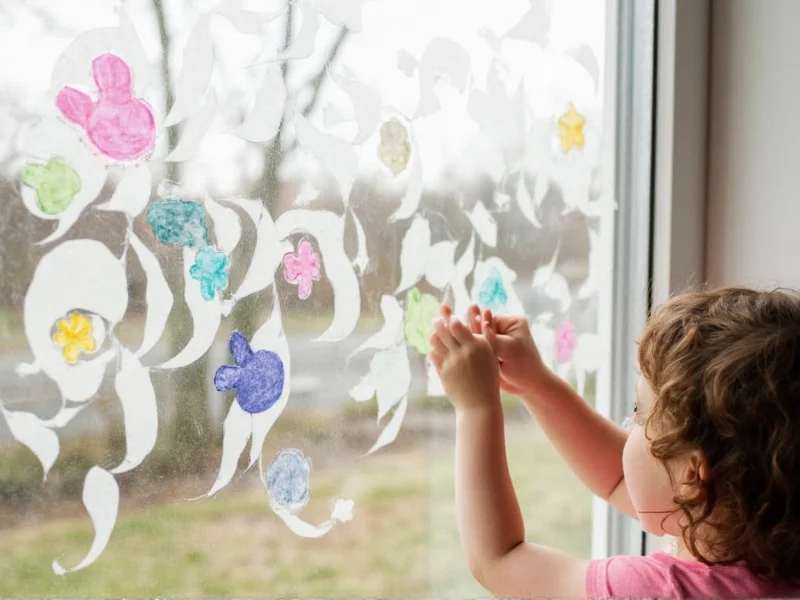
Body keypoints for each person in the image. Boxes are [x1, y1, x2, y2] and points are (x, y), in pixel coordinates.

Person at [428, 287, 800, 598]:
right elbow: (618, 478)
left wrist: (476, 408)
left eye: (640, 412)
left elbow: (500, 562)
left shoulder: (659, 591)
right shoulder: (773, 550)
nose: (630, 422)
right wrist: (535, 383)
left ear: (692, 475)